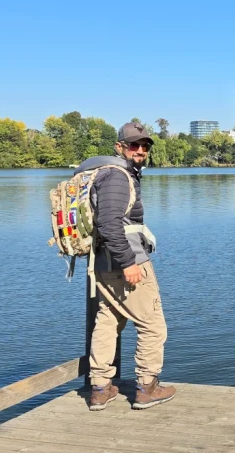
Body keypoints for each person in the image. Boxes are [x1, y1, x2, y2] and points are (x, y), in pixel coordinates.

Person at [75, 122, 175, 411]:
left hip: (106, 263)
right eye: (134, 145)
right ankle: (147, 387)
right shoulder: (117, 177)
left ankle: (100, 388)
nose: (141, 150)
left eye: (145, 146)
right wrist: (129, 263)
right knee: (153, 324)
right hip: (126, 264)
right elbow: (109, 225)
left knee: (108, 320)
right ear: (119, 147)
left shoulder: (107, 174)